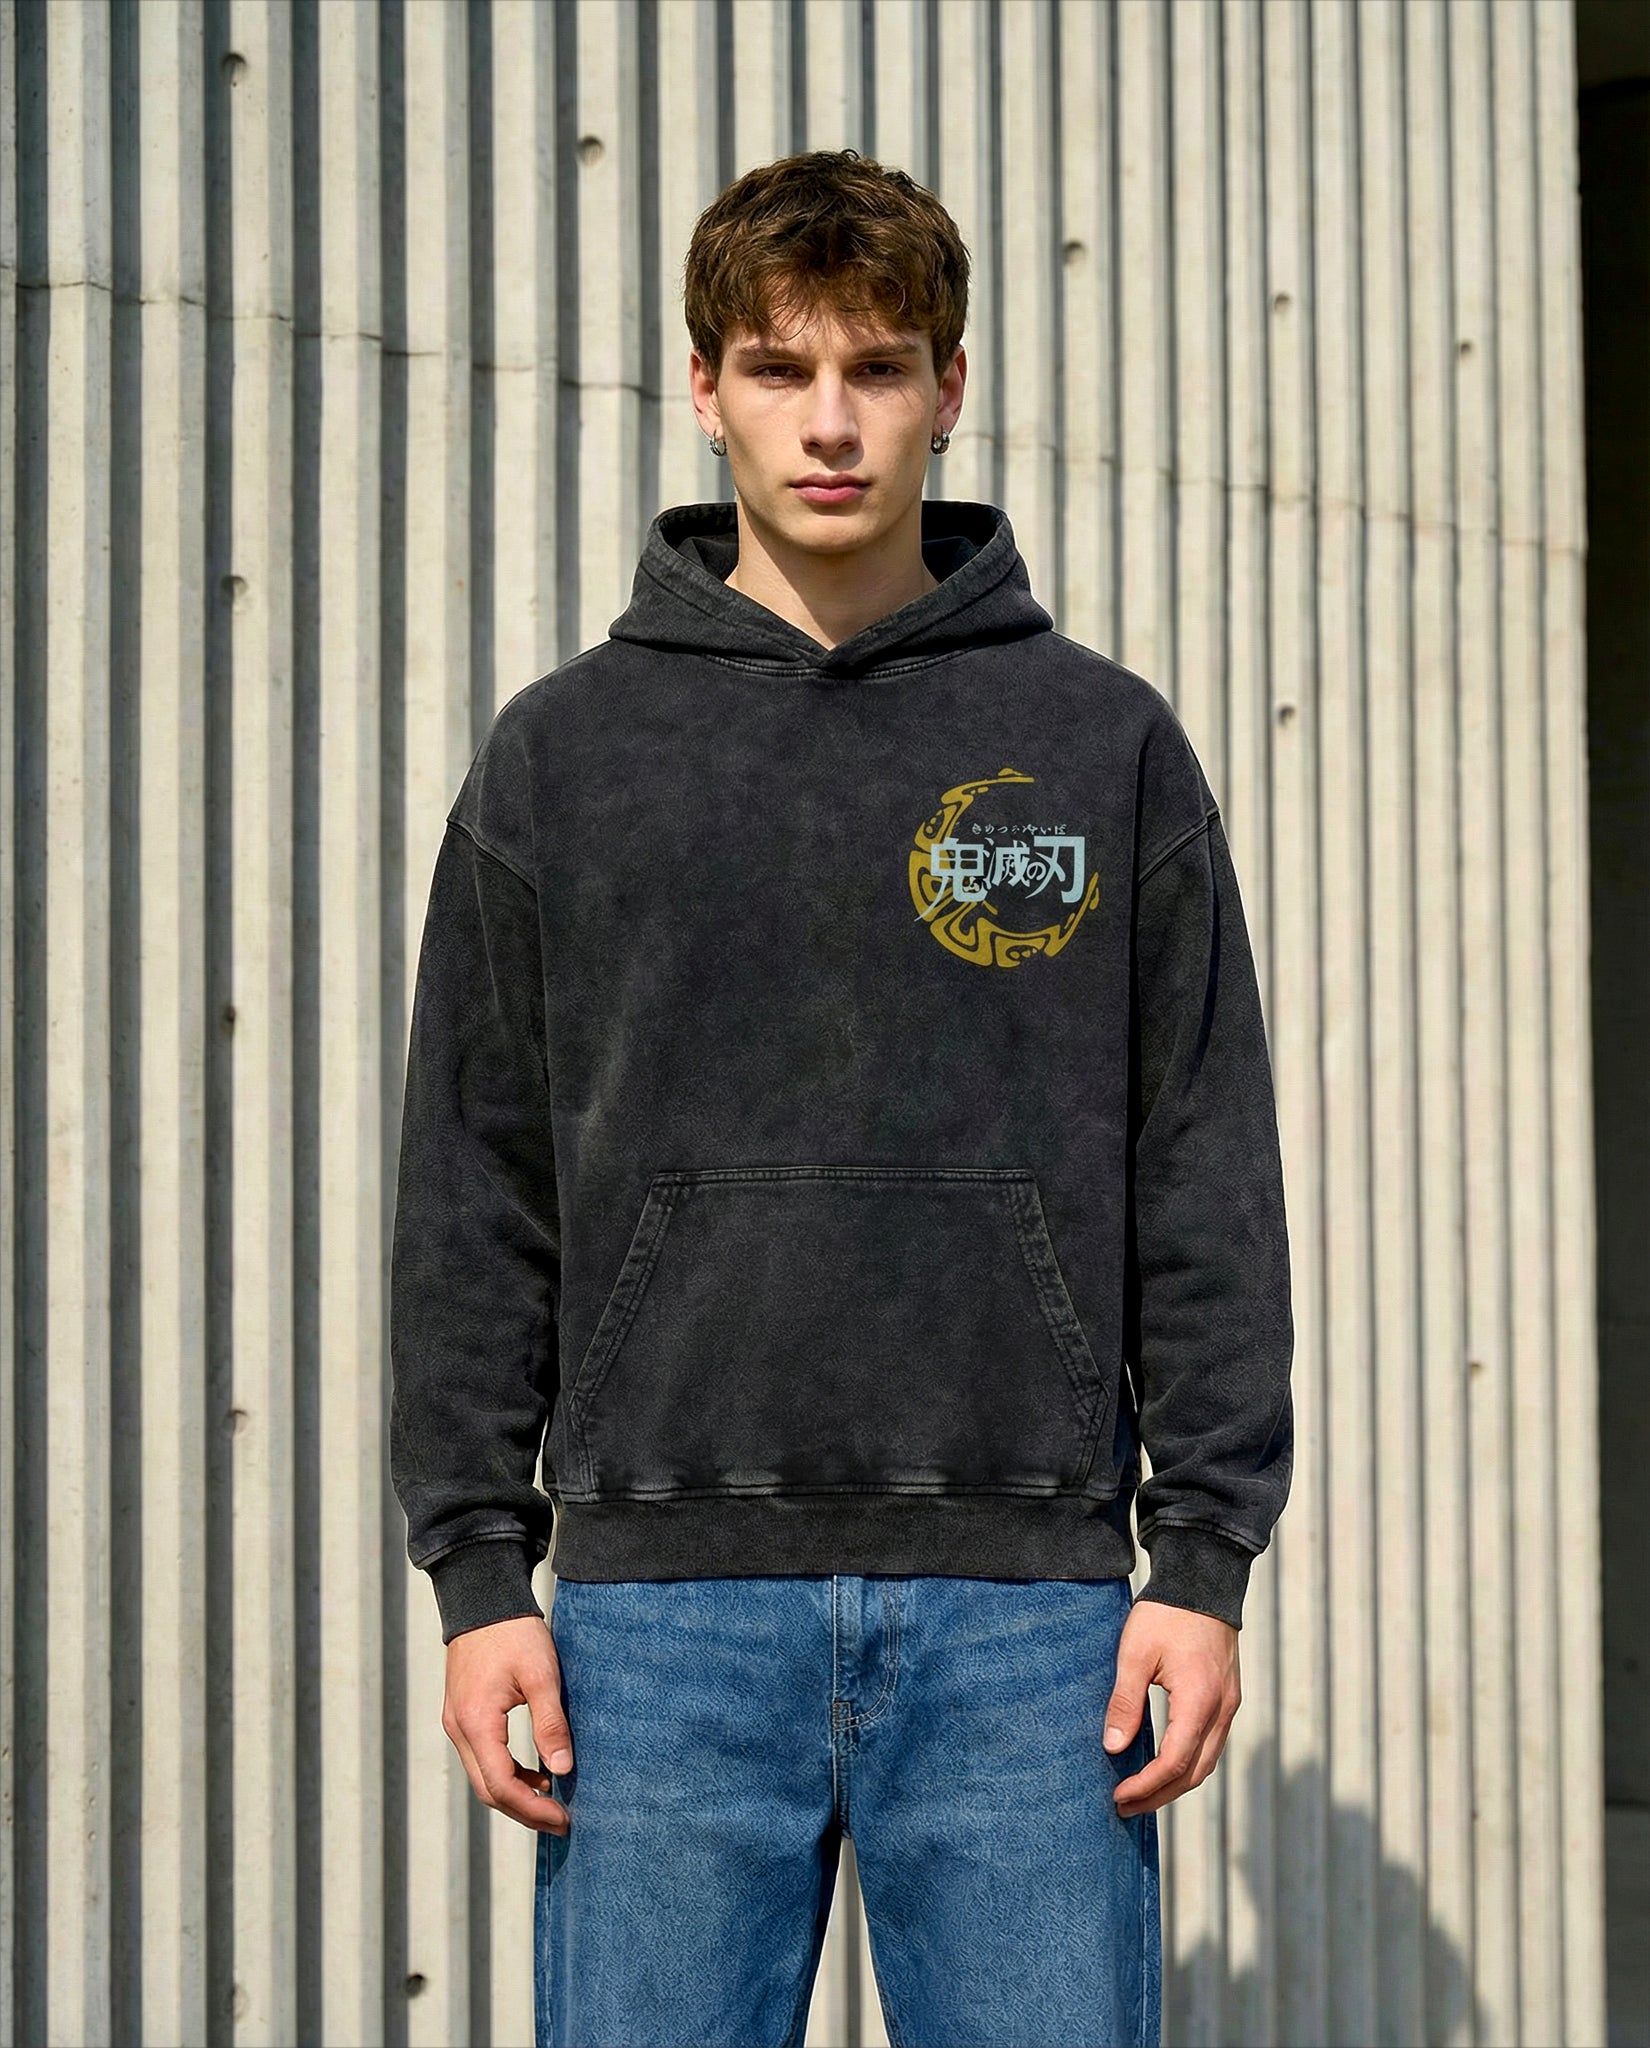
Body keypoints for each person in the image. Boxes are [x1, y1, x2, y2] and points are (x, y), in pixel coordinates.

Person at [388, 147, 1293, 2048]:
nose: (827, 423)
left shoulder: (1094, 741)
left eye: (875, 369)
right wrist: (480, 1576)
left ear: (946, 388)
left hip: (1029, 1616)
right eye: (778, 369)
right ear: (700, 386)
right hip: (657, 1620)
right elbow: (477, 1186)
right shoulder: (566, 754)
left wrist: (1201, 1562)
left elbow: (1198, 1161)